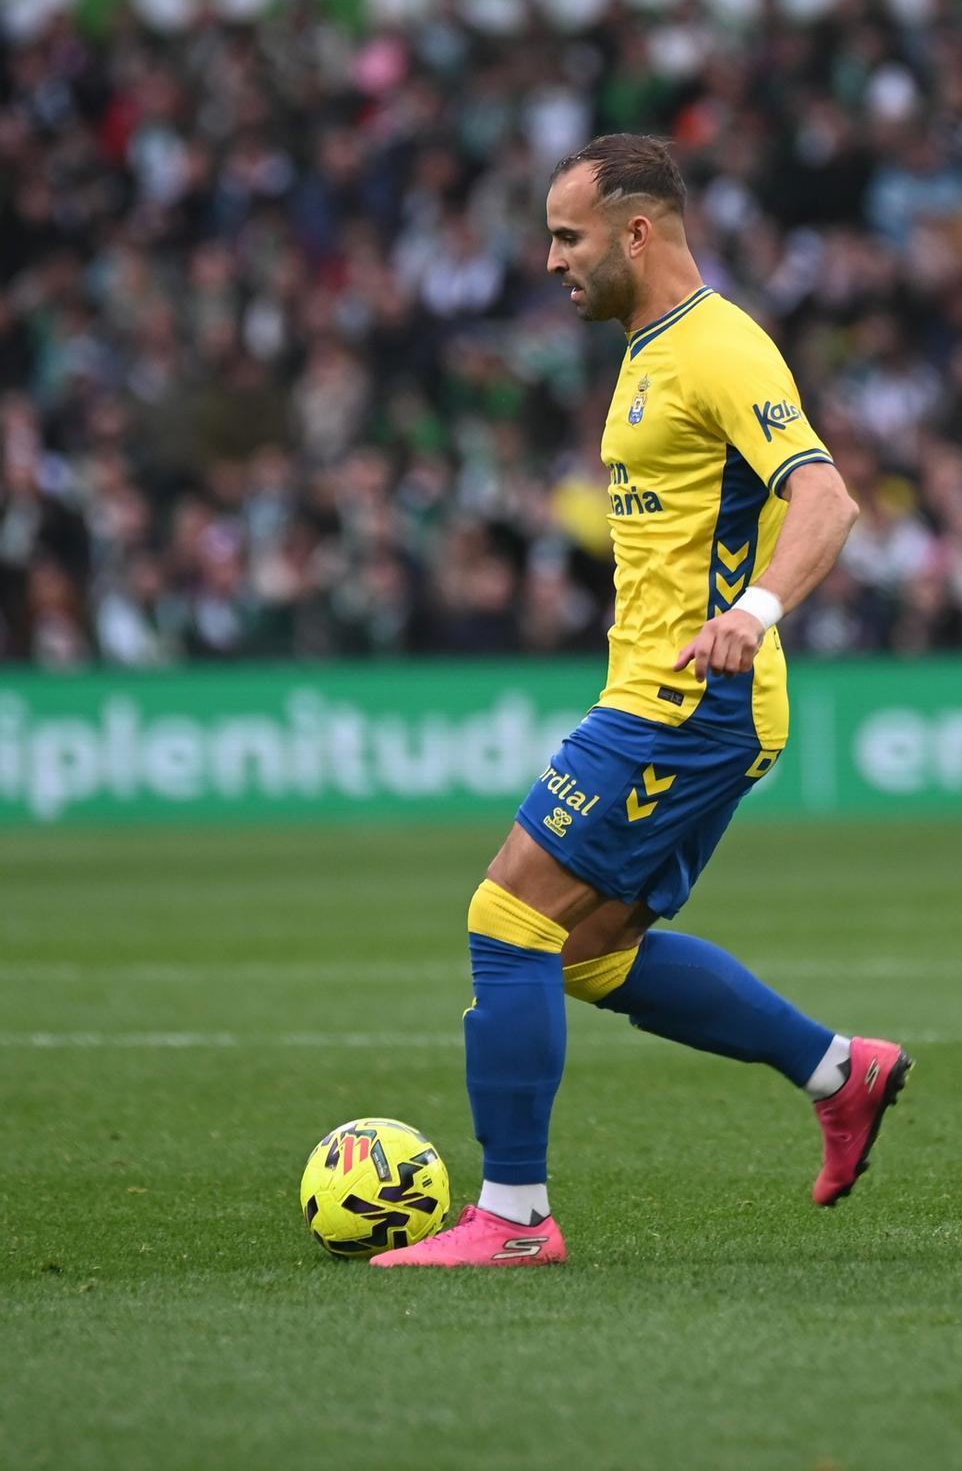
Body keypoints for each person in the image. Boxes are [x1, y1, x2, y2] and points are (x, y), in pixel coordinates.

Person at [372, 135, 911, 1270]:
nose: (551, 258)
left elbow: (827, 500)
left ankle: (515, 1218)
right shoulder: (645, 348)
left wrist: (754, 611)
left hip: (691, 701)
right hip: (660, 696)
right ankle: (837, 1070)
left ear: (637, 231)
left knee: (506, 918)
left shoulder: (721, 346)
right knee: (585, 955)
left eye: (567, 235)